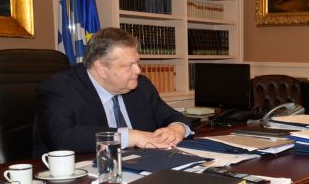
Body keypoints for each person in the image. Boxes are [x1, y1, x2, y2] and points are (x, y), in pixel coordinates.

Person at [34, 27, 192, 155]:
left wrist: (176, 129)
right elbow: (62, 137)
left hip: (141, 169)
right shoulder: (59, 88)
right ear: (101, 68)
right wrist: (128, 136)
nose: (138, 70)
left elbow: (172, 116)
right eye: (129, 65)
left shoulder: (141, 86)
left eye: (137, 62)